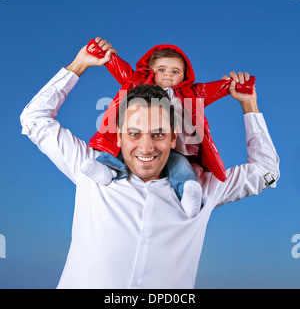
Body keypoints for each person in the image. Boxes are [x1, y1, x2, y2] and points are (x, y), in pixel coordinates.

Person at [20, 38, 279, 289]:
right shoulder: (89, 167)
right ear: (119, 134)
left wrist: (249, 105)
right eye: (134, 133)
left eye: (158, 134)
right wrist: (79, 65)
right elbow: (34, 119)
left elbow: (267, 170)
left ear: (174, 136)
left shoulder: (203, 188)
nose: (146, 148)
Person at [85, 37, 256, 217]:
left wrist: (235, 85)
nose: (168, 74)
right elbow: (122, 70)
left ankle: (188, 194)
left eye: (175, 71)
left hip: (176, 147)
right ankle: (106, 170)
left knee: (181, 167)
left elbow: (215, 89)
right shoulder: (139, 83)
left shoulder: (193, 94)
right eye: (161, 69)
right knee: (120, 150)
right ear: (150, 71)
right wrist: (103, 53)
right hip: (142, 137)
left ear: (185, 75)